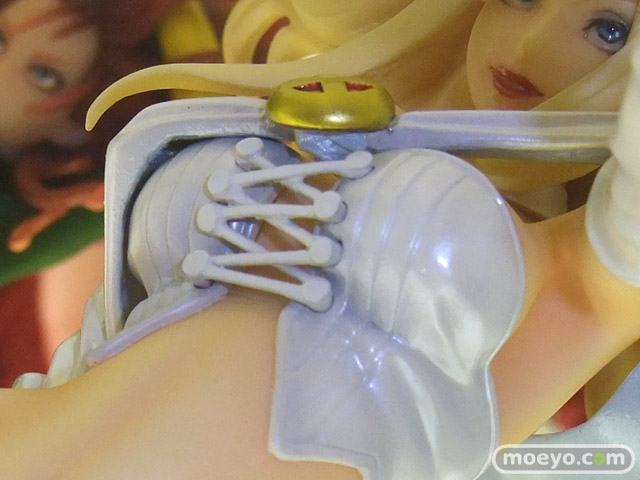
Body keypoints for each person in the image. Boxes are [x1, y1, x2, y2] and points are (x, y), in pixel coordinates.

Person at [1, 1, 639, 479]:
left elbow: (595, 298)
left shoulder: (578, 257)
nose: (529, 42)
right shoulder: (321, 108)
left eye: (611, 31)